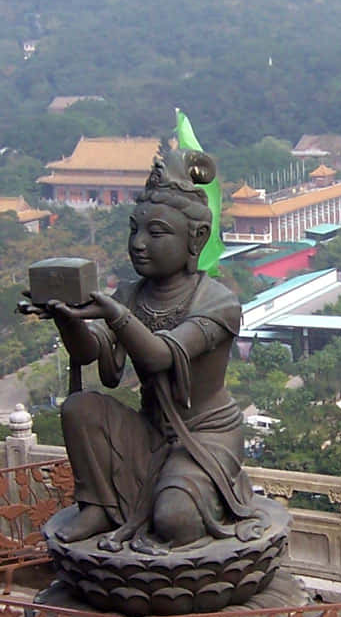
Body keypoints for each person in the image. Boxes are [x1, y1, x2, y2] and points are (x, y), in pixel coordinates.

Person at [29, 147, 257, 554]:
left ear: (197, 238)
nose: (138, 244)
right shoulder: (132, 295)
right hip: (150, 430)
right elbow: (96, 358)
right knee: (79, 408)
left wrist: (115, 314)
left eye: (156, 233)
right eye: (134, 230)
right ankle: (99, 505)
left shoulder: (217, 302)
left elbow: (159, 356)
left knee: (175, 520)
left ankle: (201, 494)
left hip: (204, 437)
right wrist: (67, 317)